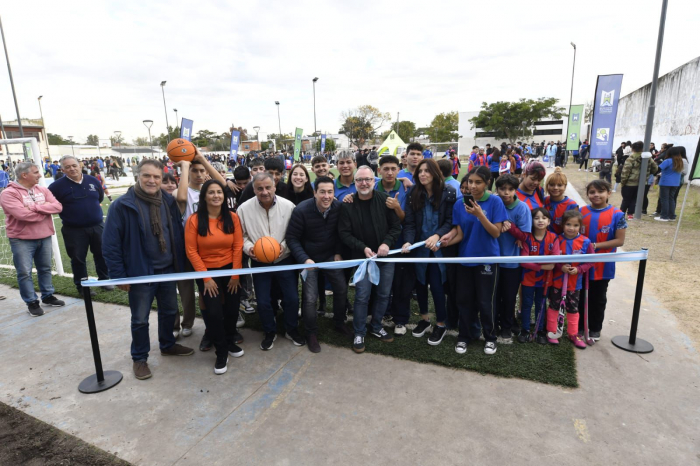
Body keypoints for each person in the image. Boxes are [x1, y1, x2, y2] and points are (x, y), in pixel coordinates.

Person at [102, 159, 194, 380]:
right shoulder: (122, 205)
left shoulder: (167, 202)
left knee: (169, 311)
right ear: (137, 176)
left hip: (168, 269)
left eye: (156, 177)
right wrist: (119, 276)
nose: (152, 180)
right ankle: (140, 358)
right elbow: (110, 244)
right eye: (147, 176)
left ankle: (167, 345)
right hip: (140, 272)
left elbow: (176, 234)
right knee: (140, 319)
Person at [441, 166, 507, 355]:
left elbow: (495, 232)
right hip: (465, 260)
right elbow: (460, 234)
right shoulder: (459, 203)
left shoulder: (495, 202)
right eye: (470, 181)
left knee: (486, 302)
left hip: (487, 259)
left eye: (478, 182)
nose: (473, 186)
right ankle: (464, 336)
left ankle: (490, 338)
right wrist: (444, 242)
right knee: (465, 300)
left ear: (487, 183)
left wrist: (479, 215)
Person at [338, 166, 401, 353]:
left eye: (368, 179)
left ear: (374, 181)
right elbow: (344, 233)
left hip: (385, 257)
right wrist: (362, 248)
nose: (364, 183)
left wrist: (387, 244)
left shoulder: (385, 200)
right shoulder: (347, 204)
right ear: (354, 183)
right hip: (362, 259)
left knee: (383, 294)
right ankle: (359, 331)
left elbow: (396, 227)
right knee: (362, 296)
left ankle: (376, 326)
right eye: (359, 180)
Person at [286, 176, 352, 352]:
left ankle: (339, 322)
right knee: (309, 298)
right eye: (322, 191)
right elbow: (292, 239)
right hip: (309, 258)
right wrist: (305, 259)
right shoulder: (301, 210)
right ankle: (311, 333)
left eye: (330, 192)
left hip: (330, 255)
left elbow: (341, 233)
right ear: (314, 193)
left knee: (341, 289)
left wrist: (338, 252)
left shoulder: (339, 207)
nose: (326, 196)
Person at [185, 179, 244, 375]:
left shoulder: (232, 218)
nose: (216, 196)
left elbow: (237, 247)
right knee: (213, 312)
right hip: (207, 271)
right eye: (211, 192)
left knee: (232, 309)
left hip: (230, 270)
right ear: (204, 197)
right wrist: (206, 278)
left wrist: (235, 274)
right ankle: (221, 352)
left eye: (219, 192)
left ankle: (228, 341)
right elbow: (191, 251)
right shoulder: (194, 220)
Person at [237, 172, 302, 350]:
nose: (264, 192)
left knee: (291, 298)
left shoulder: (289, 206)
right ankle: (269, 331)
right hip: (260, 261)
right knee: (263, 300)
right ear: (254, 189)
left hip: (284, 259)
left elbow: (294, 232)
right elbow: (241, 235)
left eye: (268, 187)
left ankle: (291, 328)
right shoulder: (243, 209)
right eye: (259, 188)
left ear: (274, 187)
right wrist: (249, 248)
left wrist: (283, 246)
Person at [174, 150, 228, 344]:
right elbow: (180, 199)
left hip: (213, 248)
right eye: (194, 171)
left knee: (219, 294)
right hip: (193, 250)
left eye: (201, 171)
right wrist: (185, 165)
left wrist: (203, 160)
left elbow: (223, 186)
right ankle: (209, 330)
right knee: (205, 294)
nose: (198, 174)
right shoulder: (183, 191)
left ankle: (220, 327)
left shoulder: (210, 191)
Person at [401, 159, 457, 346]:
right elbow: (409, 223)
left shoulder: (448, 191)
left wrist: (437, 236)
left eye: (427, 171)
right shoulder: (413, 194)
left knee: (437, 285)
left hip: (438, 249)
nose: (422, 174)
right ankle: (424, 319)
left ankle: (440, 323)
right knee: (420, 284)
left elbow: (450, 221)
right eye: (420, 171)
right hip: (418, 249)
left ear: (434, 173)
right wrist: (409, 240)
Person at [0, 162, 65, 316]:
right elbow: (23, 215)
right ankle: (32, 302)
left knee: (45, 268)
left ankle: (47, 296)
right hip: (21, 239)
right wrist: (44, 210)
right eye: (36, 172)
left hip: (44, 236)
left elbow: (58, 207)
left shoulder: (42, 189)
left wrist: (35, 207)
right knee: (24, 272)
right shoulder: (8, 193)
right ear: (24, 175)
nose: (40, 175)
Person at [48, 156, 114, 297]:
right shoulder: (56, 187)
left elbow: (99, 197)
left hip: (97, 226)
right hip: (73, 230)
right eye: (67, 167)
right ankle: (82, 286)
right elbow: (52, 204)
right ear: (63, 170)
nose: (72, 168)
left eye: (74, 165)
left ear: (80, 165)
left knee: (102, 254)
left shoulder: (93, 180)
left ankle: (104, 279)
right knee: (78, 258)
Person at [579, 179, 626, 341]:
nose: (596, 195)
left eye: (600, 191)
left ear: (608, 193)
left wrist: (595, 245)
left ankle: (595, 329)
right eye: (592, 192)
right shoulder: (581, 211)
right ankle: (578, 327)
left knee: (598, 298)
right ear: (587, 195)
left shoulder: (617, 214)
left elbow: (619, 241)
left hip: (603, 266)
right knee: (580, 297)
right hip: (581, 265)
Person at [546, 210, 594, 349]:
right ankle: (552, 331)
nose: (571, 228)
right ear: (562, 225)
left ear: (580, 227)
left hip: (575, 284)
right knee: (554, 306)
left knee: (573, 309)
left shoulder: (585, 242)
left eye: (575, 225)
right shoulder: (556, 239)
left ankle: (573, 334)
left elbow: (591, 261)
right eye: (568, 224)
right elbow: (551, 258)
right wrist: (560, 267)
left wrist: (579, 269)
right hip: (557, 282)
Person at [493, 174, 531, 341]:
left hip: (511, 262)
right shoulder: (494, 203)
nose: (506, 193)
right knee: (493, 296)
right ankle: (493, 324)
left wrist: (511, 228)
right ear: (497, 189)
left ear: (515, 190)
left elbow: (524, 236)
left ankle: (507, 326)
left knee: (509, 297)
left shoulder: (522, 208)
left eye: (510, 189)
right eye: (502, 189)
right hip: (492, 260)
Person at [519, 208, 559, 344]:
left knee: (541, 304)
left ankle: (540, 330)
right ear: (531, 220)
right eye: (536, 218)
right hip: (528, 279)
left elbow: (554, 258)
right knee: (526, 304)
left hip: (545, 281)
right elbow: (524, 260)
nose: (540, 220)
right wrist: (542, 266)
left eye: (543, 218)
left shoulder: (553, 237)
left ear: (549, 221)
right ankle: (524, 330)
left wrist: (535, 260)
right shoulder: (527, 238)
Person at [620, 141, 658, 220]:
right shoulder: (648, 158)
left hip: (629, 183)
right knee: (634, 199)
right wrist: (648, 173)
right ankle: (630, 214)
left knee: (626, 199)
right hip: (641, 183)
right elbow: (655, 169)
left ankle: (621, 214)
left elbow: (625, 172)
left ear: (632, 148)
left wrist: (623, 182)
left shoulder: (631, 158)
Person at [544, 168, 579, 235]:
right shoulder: (544, 201)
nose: (555, 188)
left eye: (559, 185)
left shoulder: (572, 205)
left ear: (565, 186)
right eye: (552, 185)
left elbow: (575, 228)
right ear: (547, 186)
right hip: (545, 240)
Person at [655, 146, 684, 222]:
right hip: (676, 182)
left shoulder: (668, 161)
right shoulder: (680, 161)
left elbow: (658, 169)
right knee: (671, 199)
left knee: (664, 199)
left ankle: (664, 216)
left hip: (666, 182)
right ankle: (672, 216)